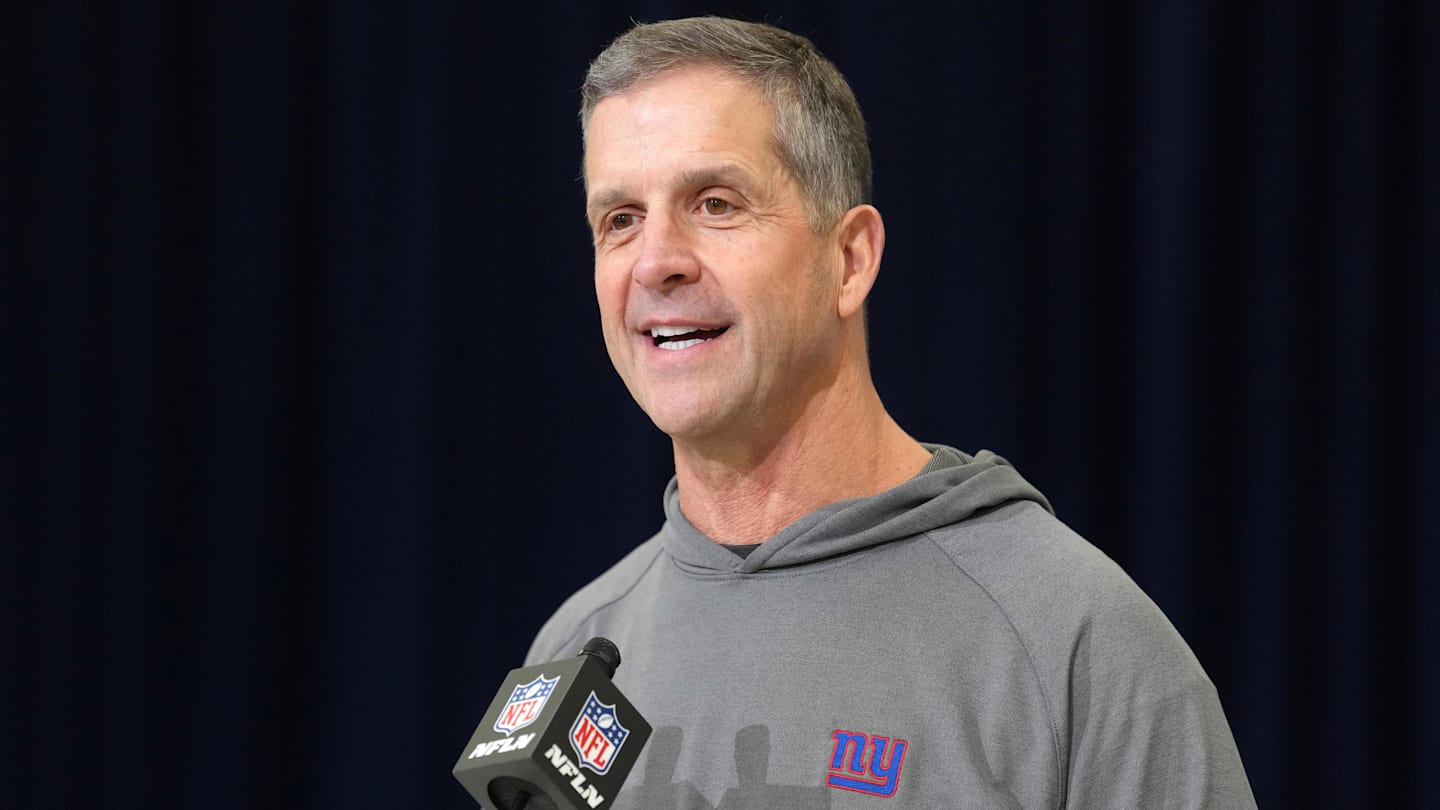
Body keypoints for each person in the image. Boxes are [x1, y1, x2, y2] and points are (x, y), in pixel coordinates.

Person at [528, 16, 1255, 808]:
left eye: (715, 203)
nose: (658, 262)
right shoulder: (578, 650)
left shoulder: (1075, 644)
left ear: (850, 259)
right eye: (620, 220)